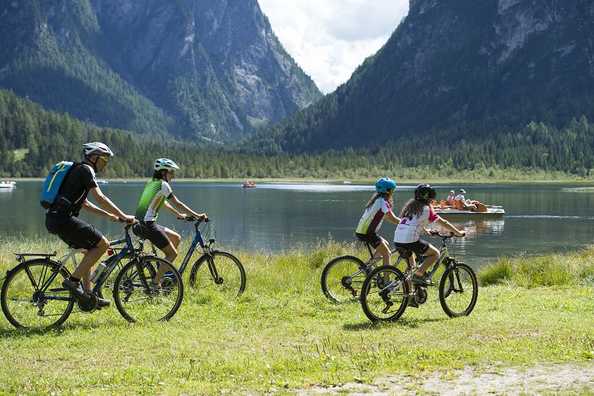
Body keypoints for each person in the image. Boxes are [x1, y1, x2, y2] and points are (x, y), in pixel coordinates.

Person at [46, 142, 135, 307]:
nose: (105, 163)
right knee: (103, 244)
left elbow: (86, 204)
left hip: (54, 219)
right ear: (94, 157)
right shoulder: (87, 170)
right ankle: (72, 281)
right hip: (64, 220)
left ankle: (88, 295)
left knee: (89, 251)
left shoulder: (78, 170)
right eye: (104, 159)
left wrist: (110, 215)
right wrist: (123, 215)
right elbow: (100, 198)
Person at [133, 158, 207, 282]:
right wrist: (197, 215)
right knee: (172, 254)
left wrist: (178, 214)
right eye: (171, 172)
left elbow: (163, 203)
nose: (173, 175)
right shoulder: (163, 184)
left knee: (176, 238)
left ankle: (165, 273)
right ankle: (156, 283)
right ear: (163, 172)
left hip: (139, 223)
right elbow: (178, 203)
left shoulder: (152, 182)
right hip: (148, 225)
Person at [394, 184, 465, 287]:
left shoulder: (410, 207)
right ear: (430, 197)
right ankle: (419, 275)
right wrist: (458, 232)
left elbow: (413, 221)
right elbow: (443, 222)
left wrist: (426, 230)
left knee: (411, 268)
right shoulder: (427, 209)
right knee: (435, 254)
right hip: (410, 241)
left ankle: (410, 296)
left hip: (397, 239)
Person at [355, 178, 401, 267]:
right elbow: (392, 218)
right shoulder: (382, 202)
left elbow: (388, 217)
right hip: (368, 233)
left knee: (385, 244)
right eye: (392, 190)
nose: (393, 192)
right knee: (387, 254)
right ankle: (386, 280)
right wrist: (407, 224)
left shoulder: (377, 200)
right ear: (388, 191)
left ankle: (367, 267)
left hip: (362, 232)